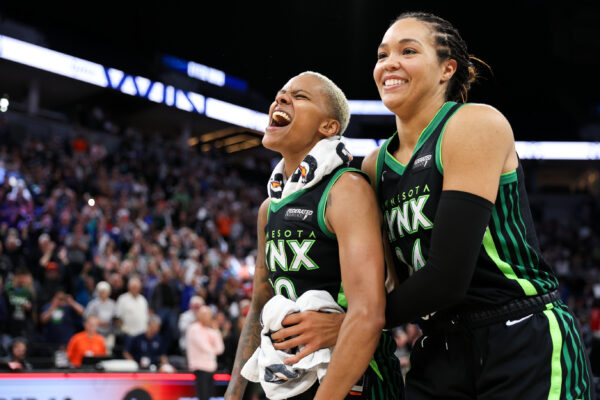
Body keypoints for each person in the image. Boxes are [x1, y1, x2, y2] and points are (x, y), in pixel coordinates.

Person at [358, 11, 594, 399]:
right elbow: (385, 281)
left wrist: (358, 321)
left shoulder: (473, 124)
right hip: (437, 344)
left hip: (519, 333)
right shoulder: (374, 165)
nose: (389, 63)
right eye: (382, 55)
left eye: (408, 50)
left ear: (446, 69)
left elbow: (447, 278)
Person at [225, 71, 402, 400]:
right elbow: (259, 304)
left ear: (329, 127)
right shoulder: (269, 208)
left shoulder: (345, 189)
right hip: (285, 373)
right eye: (280, 92)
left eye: (300, 96)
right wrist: (233, 395)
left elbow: (368, 311)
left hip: (352, 376)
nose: (280, 98)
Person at [186, 305, 224, 400]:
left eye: (209, 315)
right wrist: (213, 348)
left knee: (208, 396)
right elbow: (204, 347)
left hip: (211, 367)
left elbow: (220, 349)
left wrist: (216, 330)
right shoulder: (194, 329)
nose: (208, 317)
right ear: (199, 316)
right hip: (200, 367)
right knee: (202, 396)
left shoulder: (211, 331)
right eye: (205, 315)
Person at [83, 281, 117, 354]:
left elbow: (115, 316)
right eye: (101, 292)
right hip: (96, 332)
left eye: (105, 292)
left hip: (109, 331)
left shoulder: (112, 304)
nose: (103, 293)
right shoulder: (93, 304)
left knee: (108, 350)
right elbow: (87, 316)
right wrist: (98, 321)